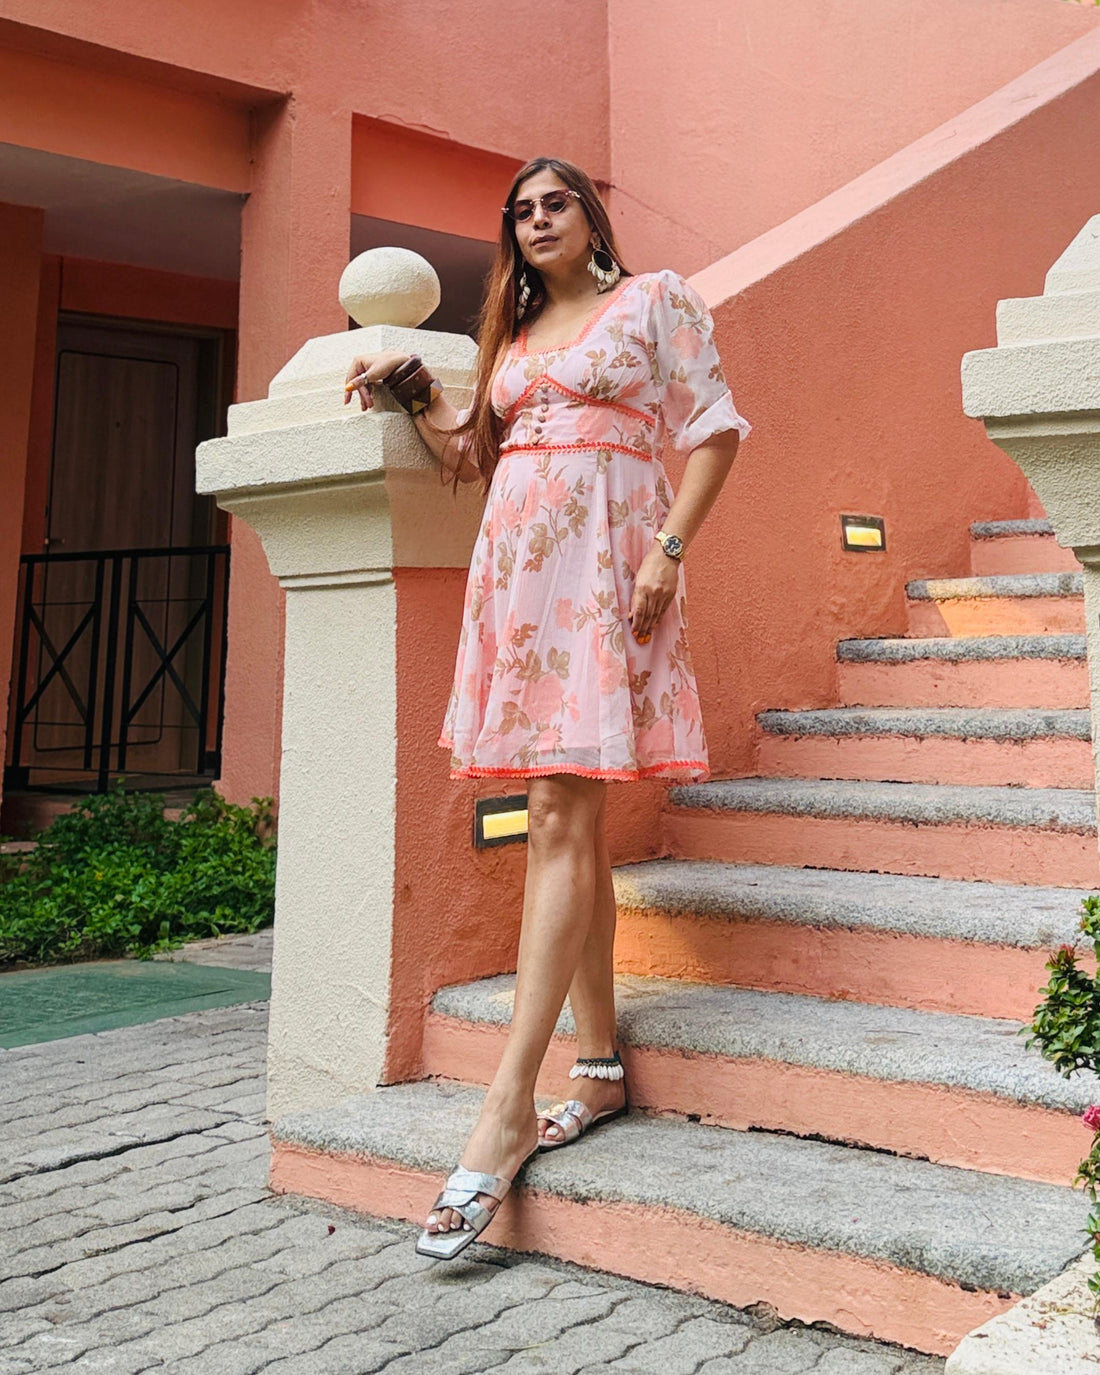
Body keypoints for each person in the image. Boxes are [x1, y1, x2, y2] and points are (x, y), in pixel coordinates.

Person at [343, 156, 751, 1260]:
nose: (535, 220)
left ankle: (507, 1103)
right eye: (519, 211)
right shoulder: (514, 338)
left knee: (560, 816)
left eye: (553, 202)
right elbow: (474, 453)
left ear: (590, 216)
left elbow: (714, 432)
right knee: (564, 822)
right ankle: (600, 1063)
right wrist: (412, 386)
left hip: (612, 570)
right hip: (519, 581)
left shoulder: (653, 300)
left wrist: (669, 550)